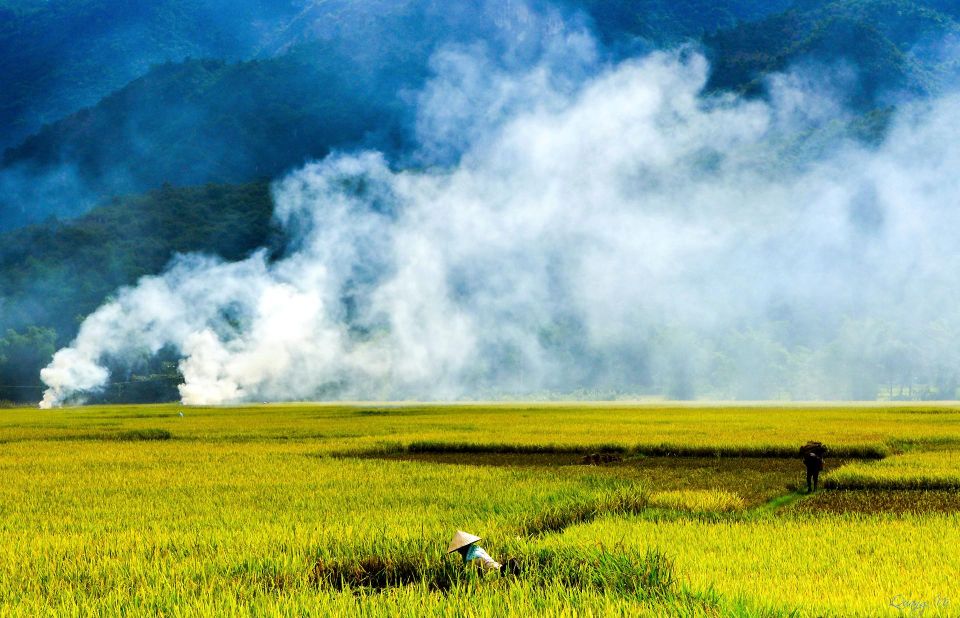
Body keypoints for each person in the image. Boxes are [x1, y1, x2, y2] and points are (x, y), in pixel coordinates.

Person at [447, 530, 520, 574]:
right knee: (499, 568)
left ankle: (510, 566)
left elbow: (475, 573)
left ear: (464, 548)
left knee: (499, 572)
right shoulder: (476, 548)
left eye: (459, 549)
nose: (459, 552)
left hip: (491, 571)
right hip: (493, 564)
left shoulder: (471, 559)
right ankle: (509, 565)